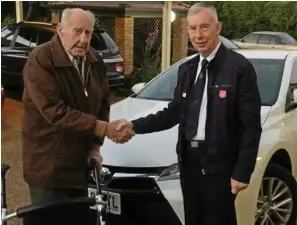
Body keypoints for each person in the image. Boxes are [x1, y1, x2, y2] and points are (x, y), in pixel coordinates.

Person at [111, 3, 262, 225]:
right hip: (188, 161)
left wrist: (242, 171)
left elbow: (250, 126)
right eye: (192, 28)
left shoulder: (239, 68)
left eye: (204, 27)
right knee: (193, 218)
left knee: (219, 220)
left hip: (219, 163)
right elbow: (173, 113)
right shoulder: (187, 69)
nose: (198, 35)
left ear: (217, 27)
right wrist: (134, 125)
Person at [21, 8, 133, 225]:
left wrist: (95, 148)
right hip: (48, 170)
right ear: (60, 29)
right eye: (77, 31)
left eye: (88, 33)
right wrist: (104, 129)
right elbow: (55, 111)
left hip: (79, 169)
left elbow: (102, 104)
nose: (83, 39)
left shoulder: (94, 60)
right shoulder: (41, 60)